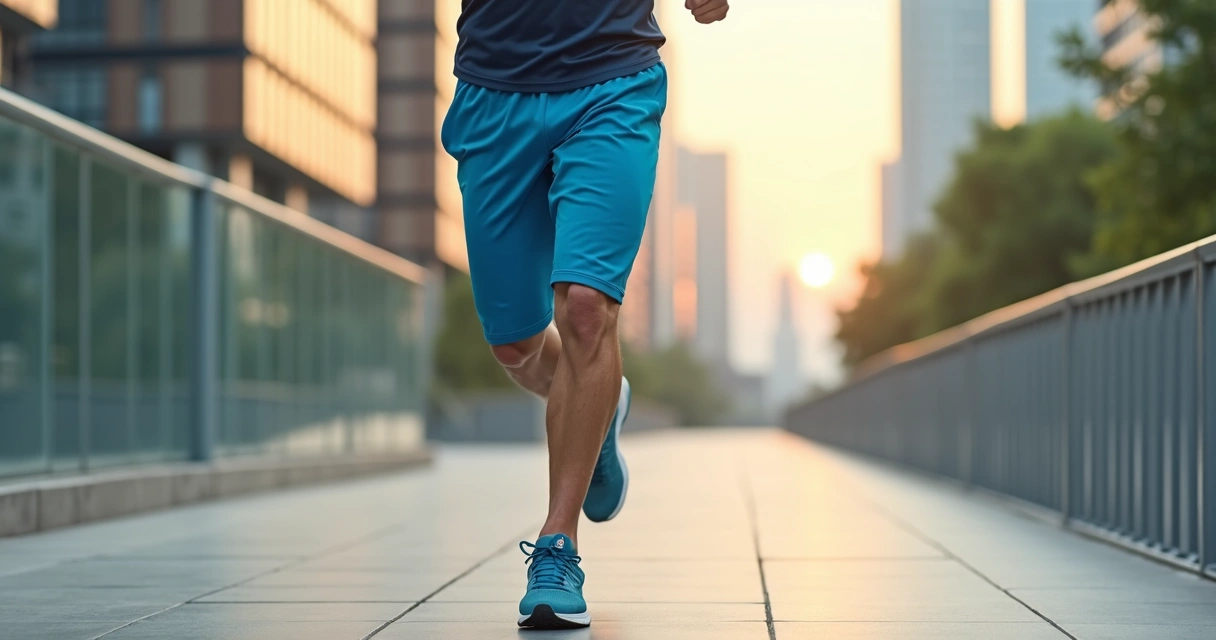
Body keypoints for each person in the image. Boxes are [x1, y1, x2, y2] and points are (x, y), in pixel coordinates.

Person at [440, 0, 730, 630]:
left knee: (585, 310)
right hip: (494, 88)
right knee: (514, 344)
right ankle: (601, 409)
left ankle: (557, 548)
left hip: (612, 77)